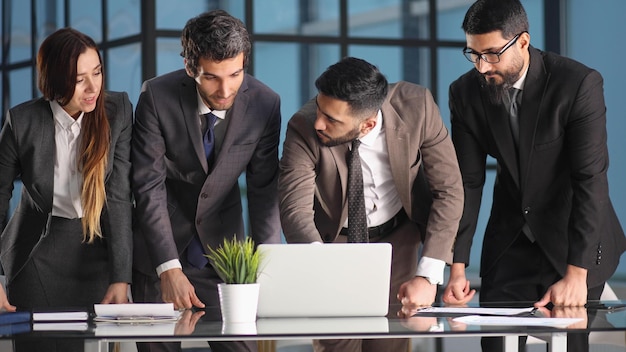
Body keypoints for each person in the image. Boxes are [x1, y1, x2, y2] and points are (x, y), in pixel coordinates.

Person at [443, 0, 626, 351]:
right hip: (511, 237)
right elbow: (468, 182)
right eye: (473, 54)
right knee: (494, 343)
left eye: (492, 54)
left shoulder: (578, 84)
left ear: (523, 42)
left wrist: (577, 273)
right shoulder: (464, 93)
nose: (482, 67)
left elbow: (590, 180)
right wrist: (457, 264)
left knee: (569, 345)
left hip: (573, 237)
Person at [279, 56, 464, 352]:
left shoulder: (418, 107)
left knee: (388, 342)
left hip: (397, 241)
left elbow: (449, 190)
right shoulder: (303, 126)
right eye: (320, 109)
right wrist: (319, 267)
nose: (319, 122)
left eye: (332, 120)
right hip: (332, 245)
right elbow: (294, 208)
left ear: (366, 124)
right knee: (336, 344)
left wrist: (428, 275)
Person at [131, 9, 282, 352]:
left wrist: (266, 270)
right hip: (161, 253)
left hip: (224, 256)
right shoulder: (156, 97)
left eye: (235, 74)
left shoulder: (265, 103)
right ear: (190, 67)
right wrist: (167, 268)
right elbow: (147, 186)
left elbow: (263, 190)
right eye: (212, 77)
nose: (225, 89)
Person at [0, 28, 133, 352]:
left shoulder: (117, 111)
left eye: (97, 72)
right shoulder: (22, 122)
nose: (93, 87)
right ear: (55, 81)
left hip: (95, 253)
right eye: (79, 79)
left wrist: (121, 276)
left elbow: (118, 197)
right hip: (36, 257)